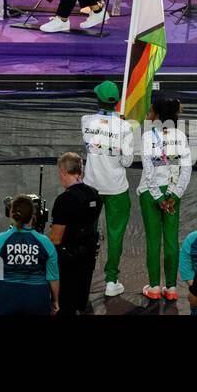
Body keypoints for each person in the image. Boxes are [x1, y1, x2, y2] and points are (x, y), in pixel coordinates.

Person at [81, 79, 135, 298]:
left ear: (98, 99)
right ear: (117, 102)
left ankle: (83, 279)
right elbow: (128, 162)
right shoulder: (125, 127)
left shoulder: (85, 121)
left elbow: (88, 149)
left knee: (86, 234)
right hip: (116, 189)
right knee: (116, 236)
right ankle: (111, 281)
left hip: (90, 187)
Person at [136, 95, 191, 301]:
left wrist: (159, 198)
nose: (148, 115)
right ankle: (171, 288)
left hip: (151, 195)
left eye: (150, 112)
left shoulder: (147, 137)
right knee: (171, 241)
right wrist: (174, 196)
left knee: (153, 241)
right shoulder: (182, 137)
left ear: (157, 116)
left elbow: (149, 172)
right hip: (173, 194)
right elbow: (186, 170)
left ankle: (153, 287)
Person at [0, 194, 59, 315]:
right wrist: (55, 301)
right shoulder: (45, 242)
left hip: (6, 298)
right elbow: (52, 277)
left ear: (11, 214)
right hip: (37, 299)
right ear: (33, 216)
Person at [48, 150, 101, 315]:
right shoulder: (94, 195)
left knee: (66, 305)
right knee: (81, 301)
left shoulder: (65, 200)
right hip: (87, 260)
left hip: (68, 264)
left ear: (63, 172)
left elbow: (56, 239)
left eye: (59, 172)